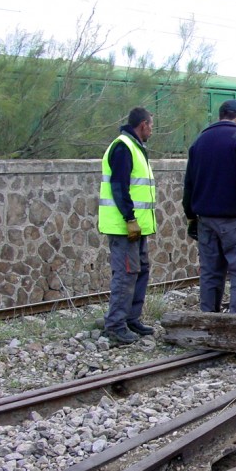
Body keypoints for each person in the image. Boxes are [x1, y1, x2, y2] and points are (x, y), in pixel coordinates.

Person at [183, 99, 236, 314]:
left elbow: (189, 183)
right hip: (235, 220)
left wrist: (191, 216)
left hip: (205, 220)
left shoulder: (199, 141)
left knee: (210, 272)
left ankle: (209, 321)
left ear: (221, 115)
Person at [98, 106, 156, 345]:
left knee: (140, 270)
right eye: (151, 125)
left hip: (136, 226)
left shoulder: (134, 147)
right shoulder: (123, 147)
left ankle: (131, 319)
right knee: (126, 273)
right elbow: (119, 186)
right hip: (124, 226)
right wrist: (129, 218)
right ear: (142, 124)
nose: (152, 130)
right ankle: (115, 325)